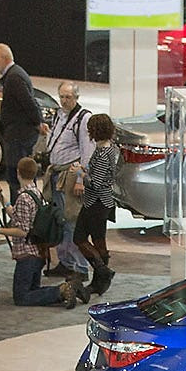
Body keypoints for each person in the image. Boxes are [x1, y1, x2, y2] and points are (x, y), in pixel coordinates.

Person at [0, 157, 87, 308]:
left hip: (27, 254)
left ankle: (62, 290)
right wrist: (3, 200)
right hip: (39, 252)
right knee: (33, 289)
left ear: (18, 173)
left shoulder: (23, 198)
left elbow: (22, 231)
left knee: (21, 297)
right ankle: (67, 289)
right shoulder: (36, 193)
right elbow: (18, 215)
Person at [42, 82, 93, 278]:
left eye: (68, 97)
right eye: (61, 97)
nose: (64, 101)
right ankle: (65, 262)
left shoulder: (83, 118)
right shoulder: (59, 115)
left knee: (73, 221)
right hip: (55, 173)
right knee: (59, 220)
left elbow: (86, 153)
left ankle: (80, 267)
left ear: (76, 98)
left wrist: (81, 178)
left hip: (70, 176)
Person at [74, 111, 120, 298]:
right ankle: (99, 281)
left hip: (96, 202)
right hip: (103, 202)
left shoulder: (102, 153)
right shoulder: (111, 149)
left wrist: (81, 173)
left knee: (80, 238)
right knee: (99, 240)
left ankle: (102, 272)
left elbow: (96, 182)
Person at [0, 42, 41, 197]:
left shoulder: (14, 77)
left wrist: (38, 122)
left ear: (5, 59)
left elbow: (29, 103)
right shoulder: (13, 75)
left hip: (20, 135)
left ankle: (20, 211)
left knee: (17, 176)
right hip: (18, 133)